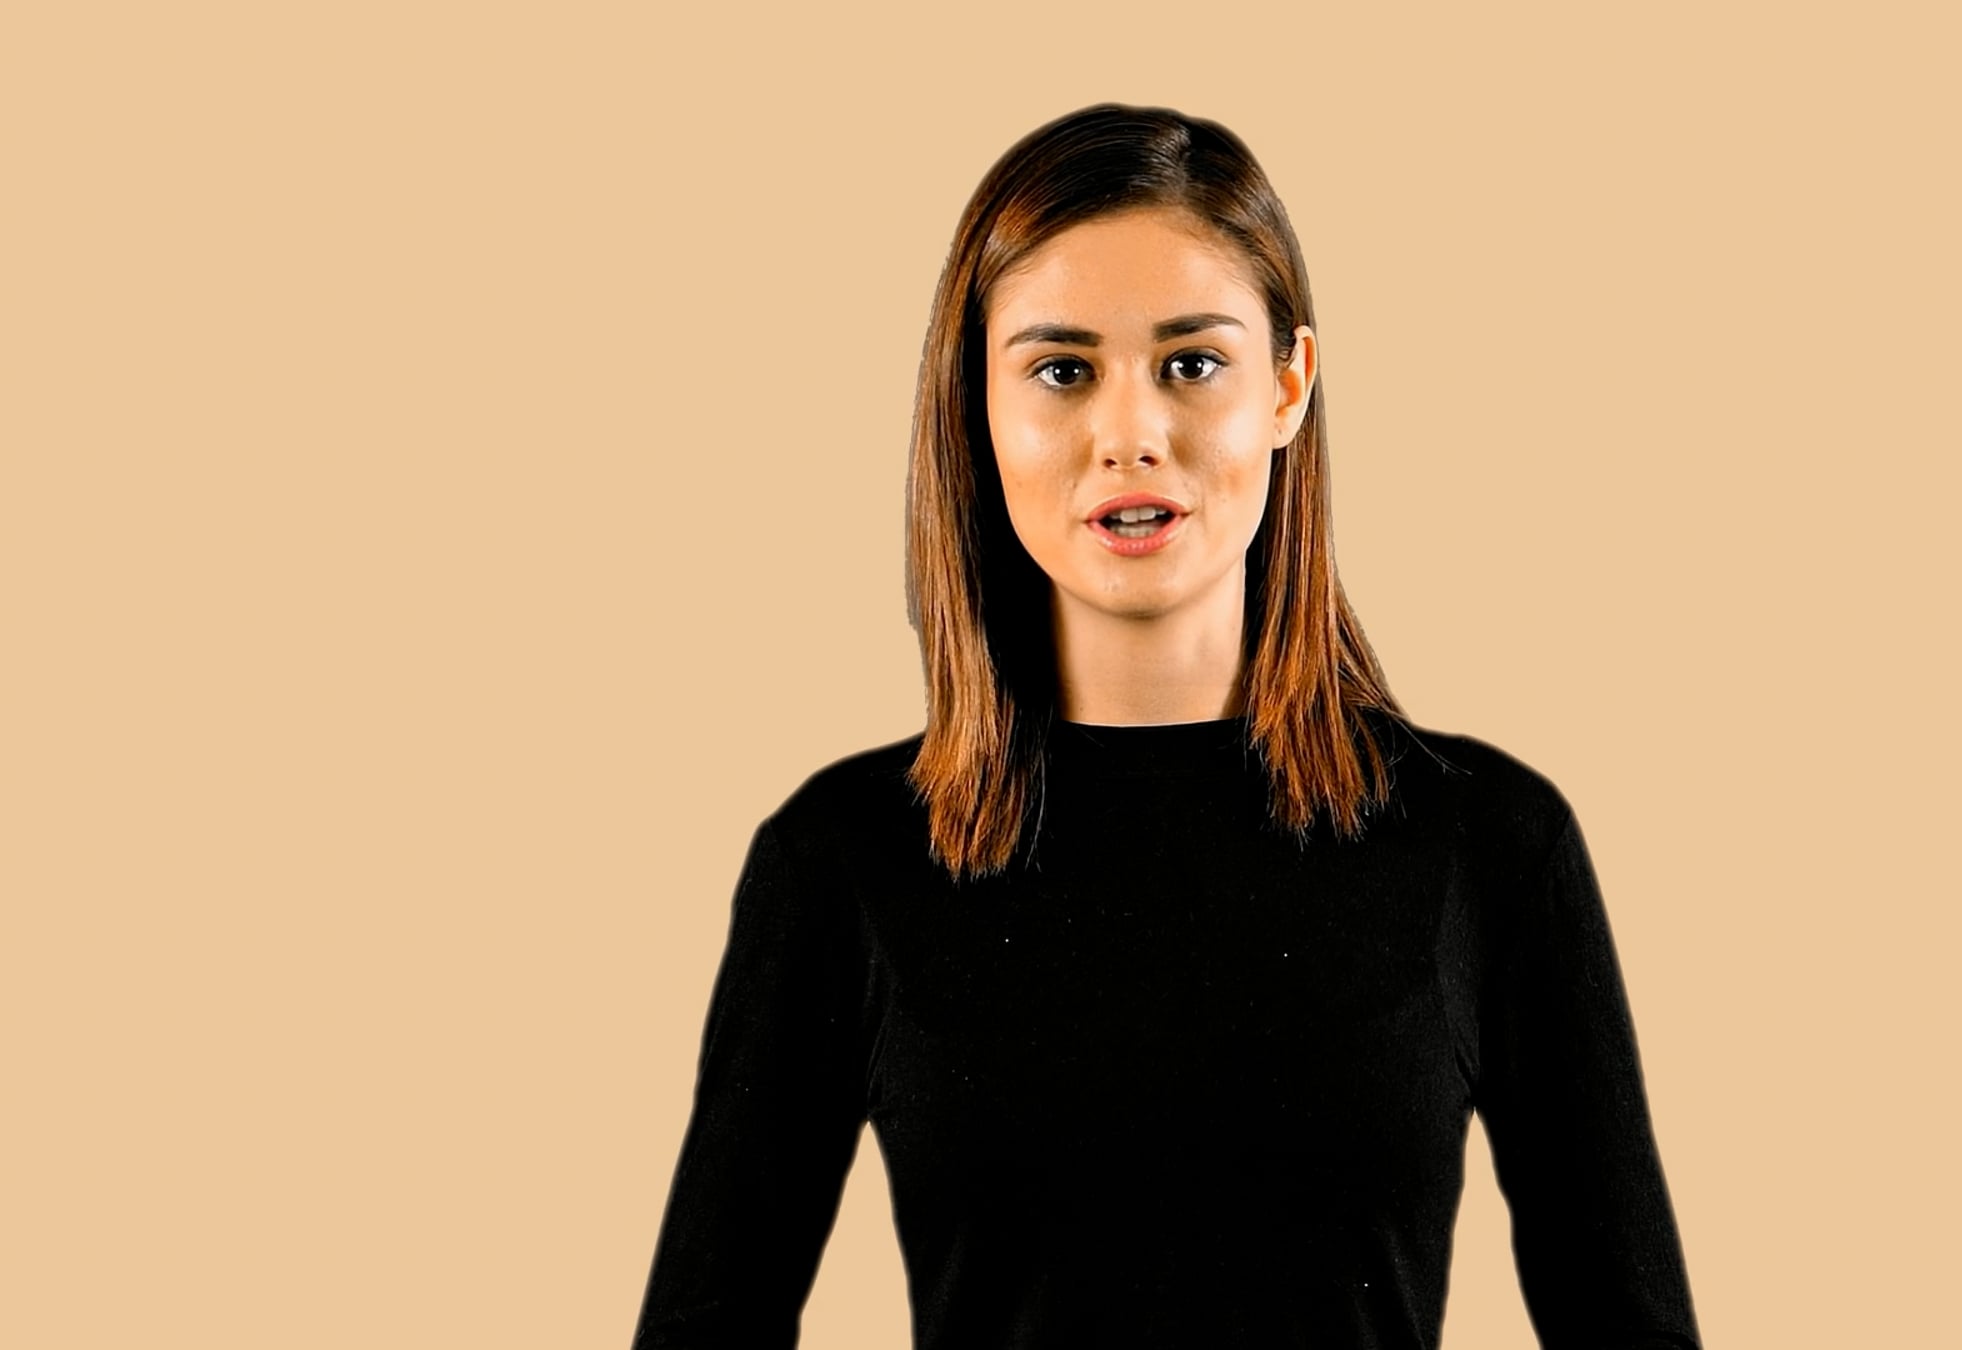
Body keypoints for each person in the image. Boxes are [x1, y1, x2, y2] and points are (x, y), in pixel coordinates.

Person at [629, 103, 1702, 1349]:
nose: (1130, 435)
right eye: (1061, 369)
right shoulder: (842, 861)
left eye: (1191, 364)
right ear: (978, 401)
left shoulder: (1492, 846)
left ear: (1288, 386)